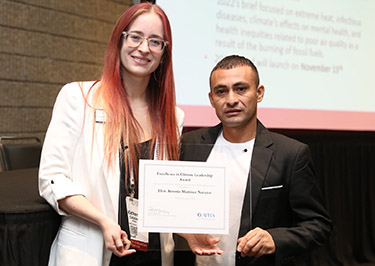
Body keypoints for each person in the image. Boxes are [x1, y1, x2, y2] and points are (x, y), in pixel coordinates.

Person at [39, 3, 184, 266]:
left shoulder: (173, 116)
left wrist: (191, 230)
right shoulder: (79, 98)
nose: (143, 48)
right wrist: (103, 221)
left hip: (151, 254)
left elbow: (167, 192)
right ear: (120, 40)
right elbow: (52, 179)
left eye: (155, 41)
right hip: (90, 249)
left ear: (164, 53)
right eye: (135, 37)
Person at [177, 55, 332, 265]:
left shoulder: (290, 154)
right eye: (221, 91)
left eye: (241, 89)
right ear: (211, 99)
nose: (231, 99)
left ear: (259, 93)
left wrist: (275, 239)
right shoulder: (189, 145)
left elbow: (318, 225)